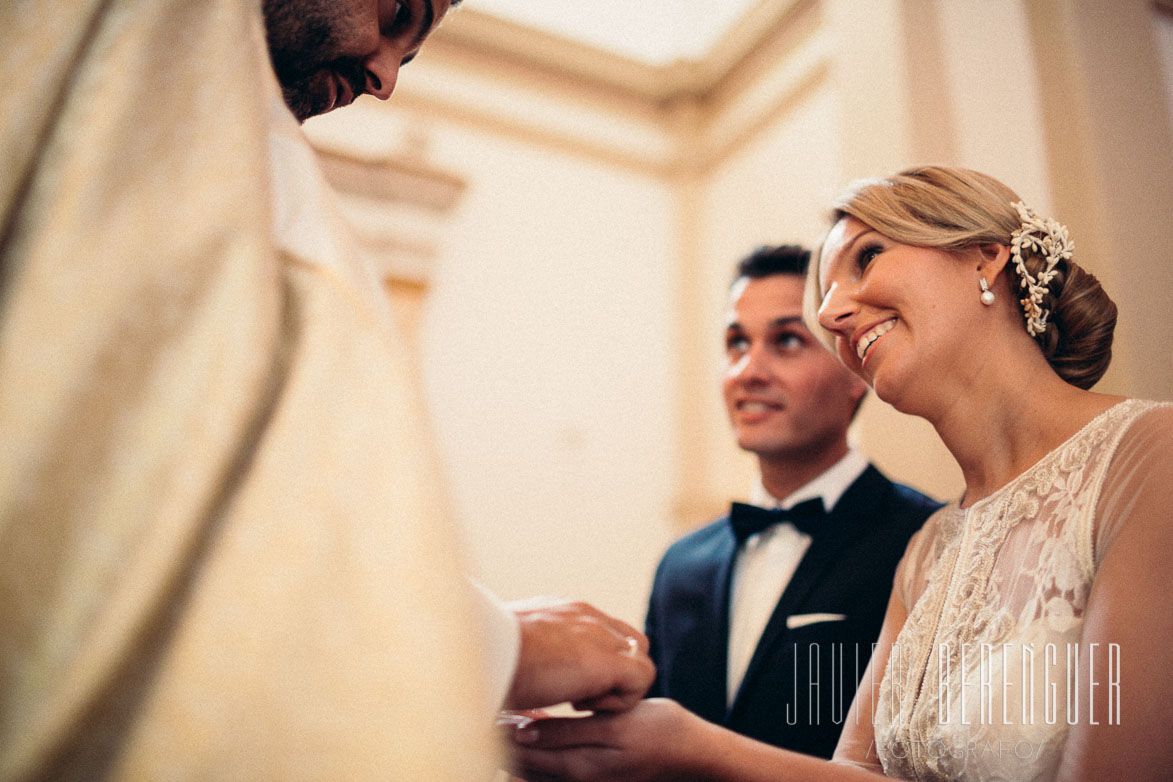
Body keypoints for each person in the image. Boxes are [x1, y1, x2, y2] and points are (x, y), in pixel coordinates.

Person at [0, 1, 652, 779]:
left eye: (409, 58)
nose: (382, 77)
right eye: (397, 14)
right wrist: (490, 645)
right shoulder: (186, 125)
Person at [509, 166, 1173, 781]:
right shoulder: (931, 549)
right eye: (824, 297)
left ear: (985, 256)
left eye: (866, 257)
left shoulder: (1147, 455)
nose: (829, 314)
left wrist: (693, 745)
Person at [645, 246, 940, 759]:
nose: (748, 370)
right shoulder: (680, 565)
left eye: (785, 340)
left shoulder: (923, 540)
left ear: (854, 369)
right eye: (736, 342)